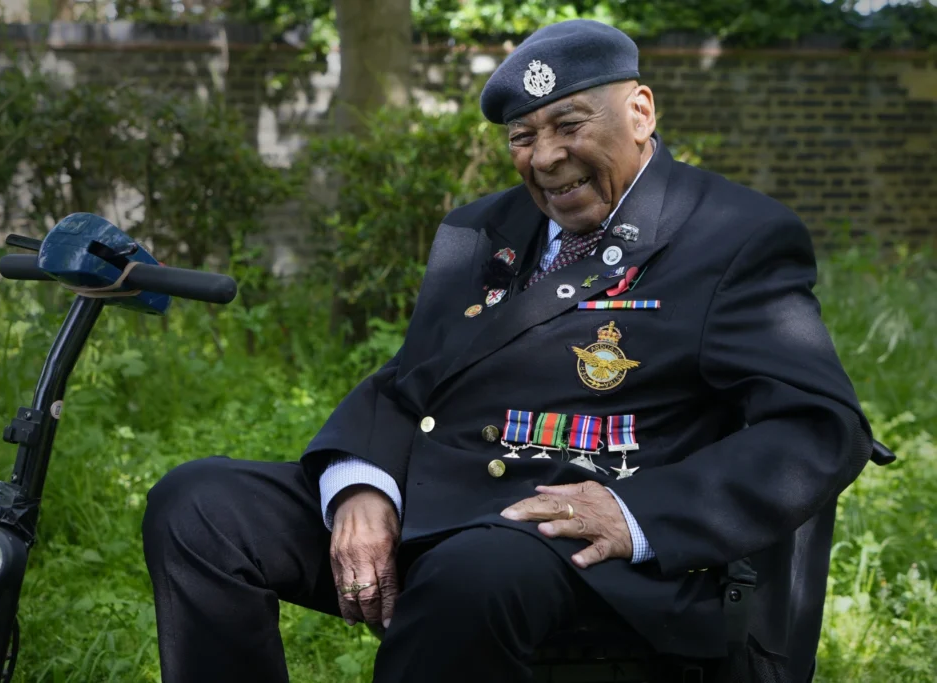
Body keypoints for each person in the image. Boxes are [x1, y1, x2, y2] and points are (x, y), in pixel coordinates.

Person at [142, 19, 873, 683]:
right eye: (523, 136)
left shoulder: (732, 233)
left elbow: (818, 426)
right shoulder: (480, 230)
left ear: (641, 112)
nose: (547, 157)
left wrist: (634, 512)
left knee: (468, 574)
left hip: (580, 546)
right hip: (441, 505)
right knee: (199, 504)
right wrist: (361, 483)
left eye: (569, 124)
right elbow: (413, 379)